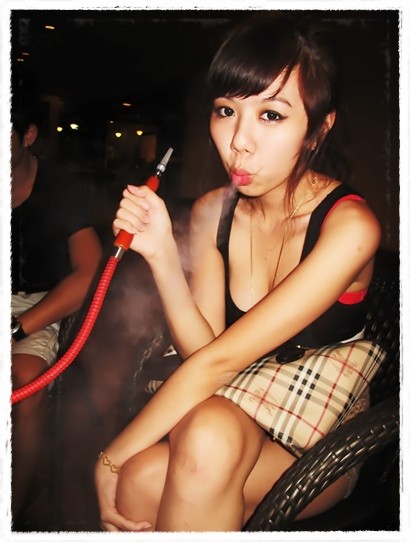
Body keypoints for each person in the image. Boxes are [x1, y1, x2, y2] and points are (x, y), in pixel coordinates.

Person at [95, 13, 381, 532]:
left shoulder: (350, 227)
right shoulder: (213, 211)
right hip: (230, 411)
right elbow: (204, 352)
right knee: (141, 479)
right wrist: (162, 255)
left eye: (271, 115)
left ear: (317, 129)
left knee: (191, 439)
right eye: (226, 111)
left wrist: (109, 456)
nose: (239, 141)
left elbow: (220, 363)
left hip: (316, 441)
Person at [11, 93, 103, 525]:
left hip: (40, 304)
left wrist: (17, 329)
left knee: (25, 380)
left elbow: (90, 272)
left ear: (27, 136)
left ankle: (13, 506)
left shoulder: (59, 188)